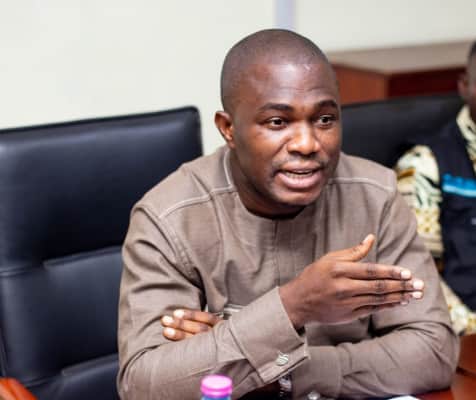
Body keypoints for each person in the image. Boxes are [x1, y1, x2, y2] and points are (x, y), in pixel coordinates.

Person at [118, 29, 458, 400]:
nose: (307, 144)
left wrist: (266, 368)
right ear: (228, 129)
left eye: (324, 119)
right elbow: (144, 384)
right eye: (277, 122)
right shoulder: (169, 217)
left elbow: (433, 351)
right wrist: (294, 303)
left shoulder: (376, 195)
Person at [395, 41, 476, 335]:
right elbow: (417, 273)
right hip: (463, 335)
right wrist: (471, 329)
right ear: (465, 86)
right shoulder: (425, 164)